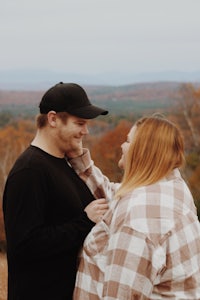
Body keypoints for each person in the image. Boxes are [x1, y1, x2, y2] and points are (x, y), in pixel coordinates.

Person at [70, 114, 200, 299]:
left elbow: (121, 295)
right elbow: (116, 193)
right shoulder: (173, 187)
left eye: (128, 141)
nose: (122, 146)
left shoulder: (137, 219)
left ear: (142, 151)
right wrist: (79, 159)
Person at [2, 82, 109, 300]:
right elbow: (24, 246)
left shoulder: (64, 163)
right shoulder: (29, 171)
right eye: (79, 123)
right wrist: (85, 221)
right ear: (53, 119)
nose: (85, 131)